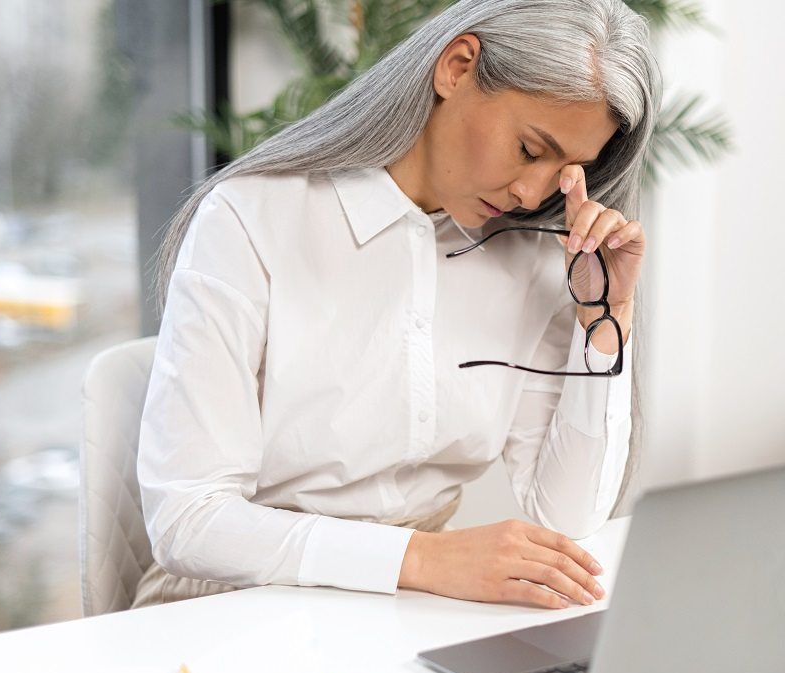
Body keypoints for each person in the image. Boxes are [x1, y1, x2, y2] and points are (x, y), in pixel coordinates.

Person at [133, 0, 661, 611]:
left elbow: (569, 513)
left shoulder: (531, 254)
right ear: (458, 68)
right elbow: (187, 520)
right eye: (528, 148)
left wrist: (606, 316)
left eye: (568, 171)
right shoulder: (252, 218)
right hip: (223, 607)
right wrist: (422, 559)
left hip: (400, 612)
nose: (531, 192)